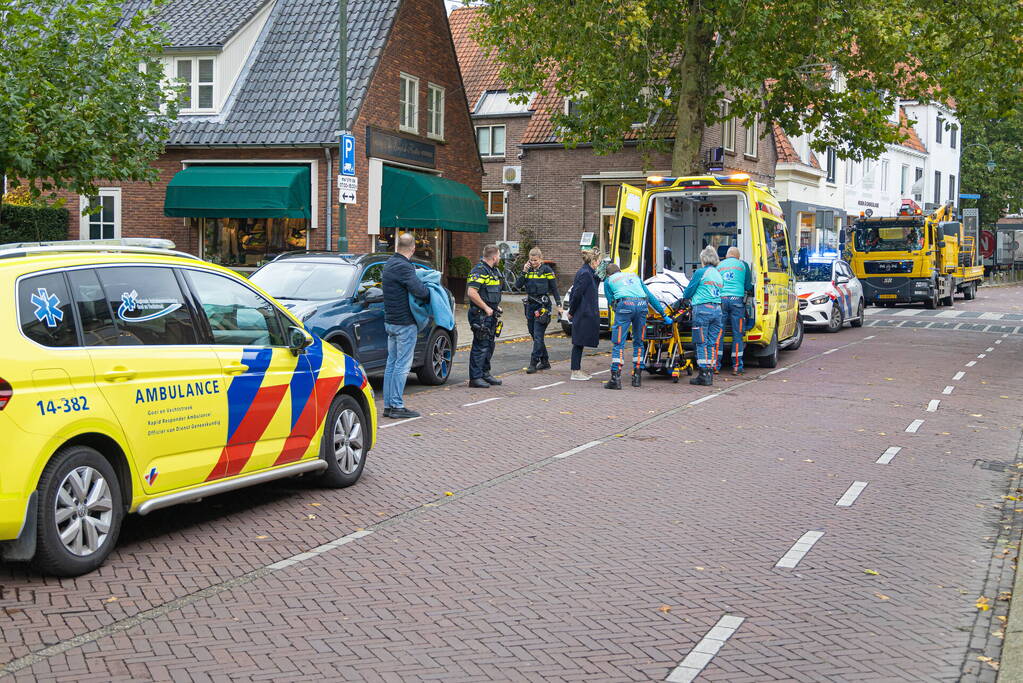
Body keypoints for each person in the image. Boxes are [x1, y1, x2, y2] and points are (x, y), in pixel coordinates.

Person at [381, 233, 431, 418]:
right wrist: (430, 293)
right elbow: (420, 291)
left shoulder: (389, 264)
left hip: (390, 322)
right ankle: (396, 406)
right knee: (402, 365)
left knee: (391, 364)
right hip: (404, 323)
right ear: (413, 249)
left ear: (397, 246)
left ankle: (388, 405)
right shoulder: (404, 267)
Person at [601, 263, 671, 390]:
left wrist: (619, 311)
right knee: (639, 342)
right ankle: (637, 376)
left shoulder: (608, 280)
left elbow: (611, 300)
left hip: (625, 305)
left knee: (618, 342)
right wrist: (663, 314)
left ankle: (615, 378)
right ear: (620, 270)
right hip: (642, 305)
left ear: (608, 274)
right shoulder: (634, 276)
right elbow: (649, 296)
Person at [516, 248, 562, 374]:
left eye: (535, 260)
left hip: (543, 306)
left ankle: (533, 363)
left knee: (538, 335)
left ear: (541, 259)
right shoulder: (527, 270)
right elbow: (517, 285)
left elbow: (554, 289)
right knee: (534, 334)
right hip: (530, 306)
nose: (533, 262)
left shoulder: (547, 270)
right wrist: (524, 271)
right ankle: (545, 361)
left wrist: (559, 305)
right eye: (531, 260)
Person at [683, 246, 724, 386]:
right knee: (712, 343)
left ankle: (703, 374)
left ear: (703, 259)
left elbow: (688, 292)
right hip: (717, 310)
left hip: (702, 310)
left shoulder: (700, 272)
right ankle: (710, 373)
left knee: (701, 342)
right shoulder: (718, 274)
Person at [466, 244, 504, 389]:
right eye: (499, 255)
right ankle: (475, 378)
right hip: (480, 315)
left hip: (490, 314)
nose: (499, 258)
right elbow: (472, 292)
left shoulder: (493, 271)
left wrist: (495, 307)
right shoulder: (479, 270)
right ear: (494, 257)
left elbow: (488, 293)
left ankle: (485, 373)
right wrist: (486, 308)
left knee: (489, 345)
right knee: (480, 346)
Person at [717, 246, 754, 375]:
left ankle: (716, 366)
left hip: (722, 301)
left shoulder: (719, 265)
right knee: (737, 334)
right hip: (737, 302)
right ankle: (737, 367)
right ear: (738, 257)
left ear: (726, 256)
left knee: (719, 333)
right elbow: (748, 286)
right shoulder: (743, 265)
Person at [567, 249, 601, 381]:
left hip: (584, 311)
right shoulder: (585, 273)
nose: (599, 264)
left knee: (580, 341)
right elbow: (577, 293)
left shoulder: (588, 272)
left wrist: (598, 276)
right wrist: (571, 311)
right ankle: (575, 371)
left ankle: (577, 369)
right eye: (598, 261)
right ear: (593, 261)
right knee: (578, 342)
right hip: (582, 312)